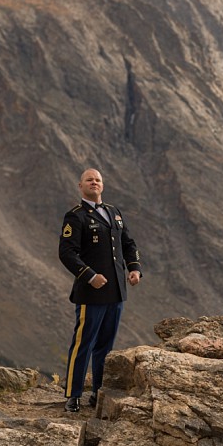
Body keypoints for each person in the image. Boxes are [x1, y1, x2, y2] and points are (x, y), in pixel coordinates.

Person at [58, 168, 142, 412]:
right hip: (91, 292)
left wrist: (134, 268)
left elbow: (128, 244)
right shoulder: (75, 216)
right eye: (89, 180)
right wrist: (90, 276)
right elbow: (66, 253)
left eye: (98, 180)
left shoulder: (114, 213)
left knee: (105, 345)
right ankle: (73, 395)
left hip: (116, 291)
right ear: (80, 185)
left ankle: (97, 391)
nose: (94, 182)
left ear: (102, 186)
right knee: (83, 343)